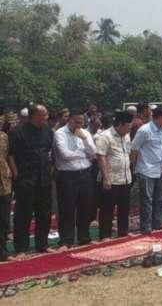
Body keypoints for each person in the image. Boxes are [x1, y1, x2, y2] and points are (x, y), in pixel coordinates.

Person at [8, 105, 54, 257]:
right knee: (23, 215)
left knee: (44, 213)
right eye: (43, 115)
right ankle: (21, 249)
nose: (45, 118)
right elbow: (11, 155)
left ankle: (42, 245)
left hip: (44, 178)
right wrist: (16, 175)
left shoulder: (48, 130)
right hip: (25, 178)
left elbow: (49, 151)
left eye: (46, 115)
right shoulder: (17, 131)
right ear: (33, 115)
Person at [53, 109, 97, 249]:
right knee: (67, 209)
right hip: (67, 176)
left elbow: (93, 152)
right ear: (69, 120)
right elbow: (65, 154)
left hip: (85, 173)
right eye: (76, 122)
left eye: (81, 122)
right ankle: (66, 240)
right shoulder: (60, 133)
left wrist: (84, 140)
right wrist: (83, 154)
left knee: (85, 207)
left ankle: (84, 238)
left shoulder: (85, 133)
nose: (79, 124)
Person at [131, 107, 162, 234]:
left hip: (160, 169)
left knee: (160, 198)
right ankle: (146, 227)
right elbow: (134, 150)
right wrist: (134, 169)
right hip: (146, 169)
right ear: (159, 117)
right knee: (147, 200)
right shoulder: (144, 130)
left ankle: (157, 223)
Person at [95, 111, 133, 240]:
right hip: (111, 179)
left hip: (125, 178)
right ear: (120, 125)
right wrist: (106, 177)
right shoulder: (105, 136)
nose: (129, 129)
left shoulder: (126, 136)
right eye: (128, 127)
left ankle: (123, 232)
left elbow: (127, 153)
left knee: (124, 208)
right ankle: (105, 235)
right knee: (107, 209)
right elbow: (101, 156)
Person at [0, 115, 14, 261]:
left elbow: (9, 156)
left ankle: (3, 252)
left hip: (4, 181)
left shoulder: (4, 137)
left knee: (3, 218)